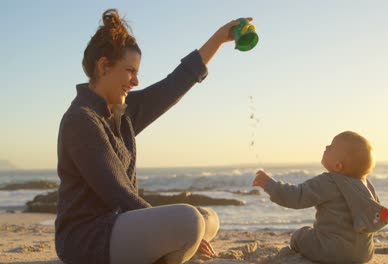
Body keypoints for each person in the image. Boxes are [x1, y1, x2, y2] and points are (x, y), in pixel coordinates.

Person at [55, 9, 252, 264]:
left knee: (208, 219)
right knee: (189, 221)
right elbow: (118, 192)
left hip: (119, 224)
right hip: (87, 238)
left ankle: (179, 244)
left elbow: (174, 84)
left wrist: (218, 39)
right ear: (103, 66)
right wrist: (177, 228)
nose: (135, 80)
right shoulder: (81, 119)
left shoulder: (122, 112)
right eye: (130, 71)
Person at [252, 131, 388, 263]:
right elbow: (375, 214)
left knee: (300, 236)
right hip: (363, 254)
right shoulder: (366, 185)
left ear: (338, 166)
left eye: (331, 147)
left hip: (332, 251)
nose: (326, 146)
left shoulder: (329, 181)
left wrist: (270, 184)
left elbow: (296, 196)